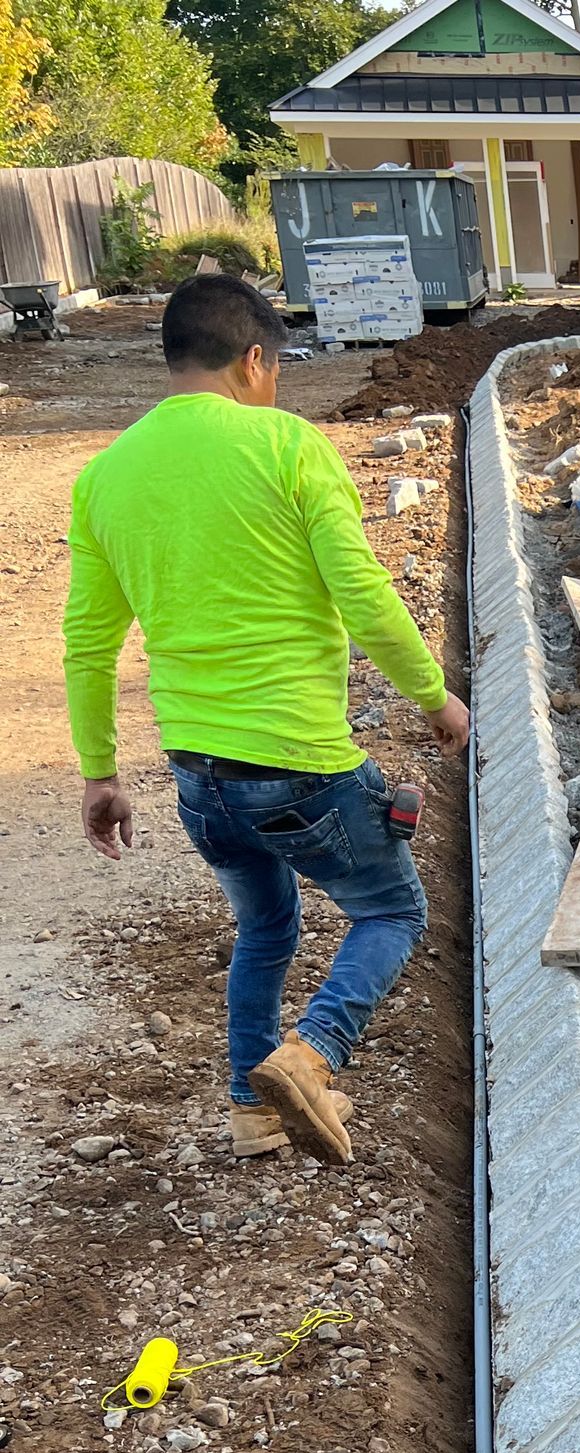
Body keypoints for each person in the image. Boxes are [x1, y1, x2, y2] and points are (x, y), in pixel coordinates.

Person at [62, 272, 469, 1167]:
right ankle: (312, 1056)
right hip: (298, 765)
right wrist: (434, 697)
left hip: (197, 777)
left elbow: (88, 646)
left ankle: (250, 1114)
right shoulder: (287, 447)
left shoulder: (104, 478)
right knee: (394, 911)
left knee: (266, 926)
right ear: (254, 359)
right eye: (274, 369)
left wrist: (100, 772)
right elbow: (361, 592)